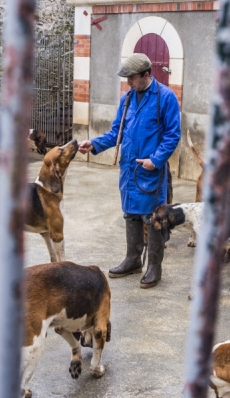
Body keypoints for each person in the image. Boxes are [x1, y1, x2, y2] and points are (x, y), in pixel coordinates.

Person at [78, 53, 181, 288]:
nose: (128, 83)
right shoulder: (127, 99)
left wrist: (155, 160)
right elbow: (117, 132)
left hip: (150, 171)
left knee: (153, 218)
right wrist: (94, 143)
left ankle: (154, 267)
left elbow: (172, 135)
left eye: (132, 78)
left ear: (146, 75)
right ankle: (133, 260)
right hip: (129, 170)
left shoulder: (165, 98)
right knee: (131, 214)